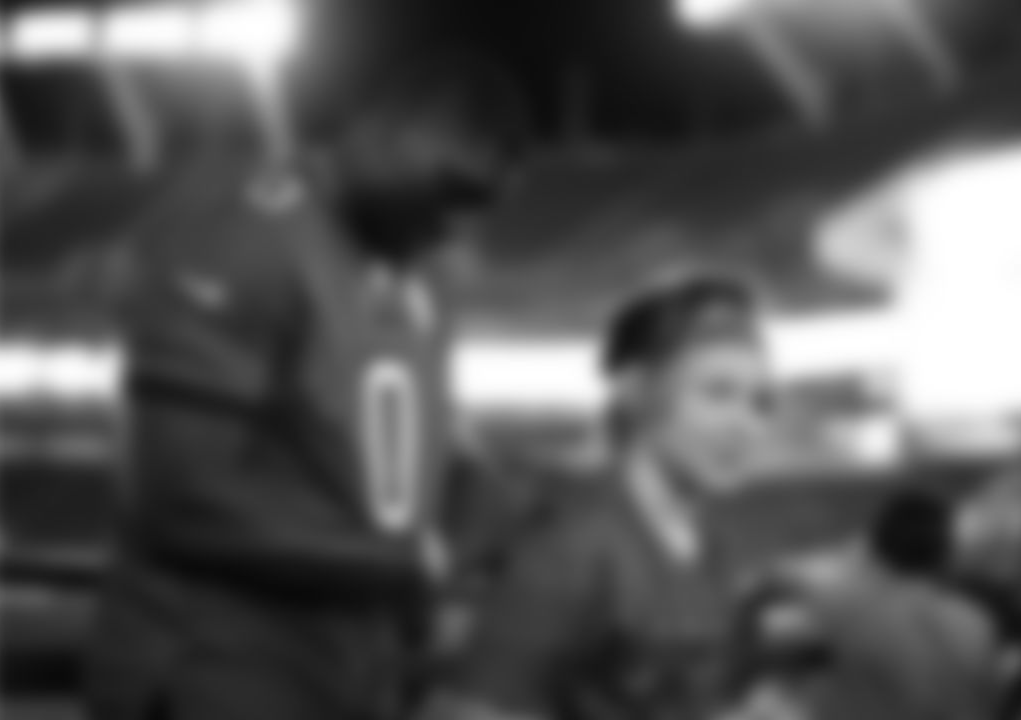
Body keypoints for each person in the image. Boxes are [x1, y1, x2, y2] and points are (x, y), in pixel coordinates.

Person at [86, 58, 528, 720]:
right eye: (447, 196)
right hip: (219, 660)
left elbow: (405, 449)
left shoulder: (419, 271)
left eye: (472, 206)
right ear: (386, 142)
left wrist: (484, 502)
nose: (455, 229)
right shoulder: (242, 235)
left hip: (351, 663)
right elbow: (179, 500)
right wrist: (403, 564)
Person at [423, 276, 784, 720]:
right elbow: (472, 709)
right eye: (717, 393)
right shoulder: (570, 543)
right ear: (636, 391)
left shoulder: (713, 550)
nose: (744, 425)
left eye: (762, 404)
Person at [737, 490, 1009, 720]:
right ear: (945, 553)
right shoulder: (976, 622)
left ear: (875, 546)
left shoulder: (843, 609)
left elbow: (766, 647)